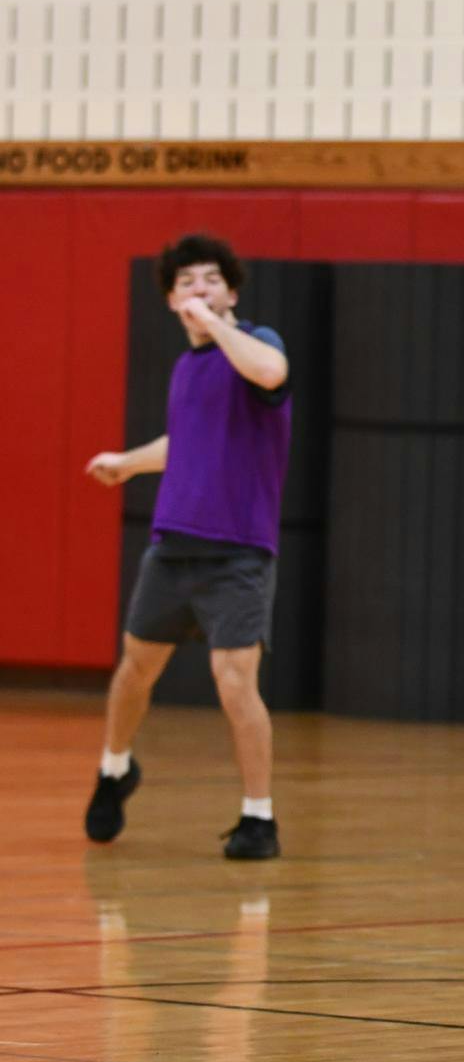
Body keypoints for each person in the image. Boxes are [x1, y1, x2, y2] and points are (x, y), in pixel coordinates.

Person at [82, 234, 292, 860]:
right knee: (134, 669)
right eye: (185, 285)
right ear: (171, 301)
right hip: (172, 548)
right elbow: (188, 443)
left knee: (234, 681)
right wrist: (128, 462)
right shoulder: (186, 369)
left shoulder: (257, 343)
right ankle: (115, 768)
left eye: (209, 281)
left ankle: (259, 818)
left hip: (238, 553)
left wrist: (218, 327)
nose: (197, 291)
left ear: (230, 292)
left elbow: (270, 374)